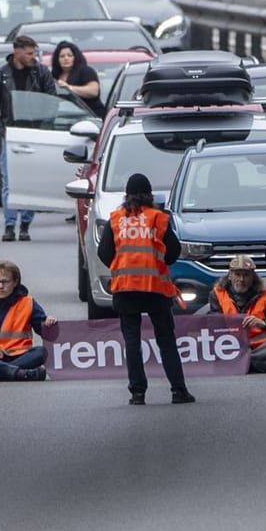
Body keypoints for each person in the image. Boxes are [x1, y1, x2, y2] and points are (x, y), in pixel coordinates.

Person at [98, 172, 193, 405]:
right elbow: (173, 253)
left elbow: (104, 253)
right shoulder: (157, 218)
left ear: (127, 195)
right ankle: (178, 390)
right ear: (149, 195)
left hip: (125, 289)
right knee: (166, 340)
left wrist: (122, 264)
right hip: (155, 289)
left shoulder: (116, 219)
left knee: (132, 342)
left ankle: (137, 393)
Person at [0, 34, 57, 242]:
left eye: (34, 53)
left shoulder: (41, 73)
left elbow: (52, 101)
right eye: (29, 53)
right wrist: (4, 131)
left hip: (33, 133)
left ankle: (25, 224)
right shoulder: (1, 76)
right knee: (8, 180)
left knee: (30, 180)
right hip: (11, 133)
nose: (33, 57)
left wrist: (43, 129)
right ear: (17, 51)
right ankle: (9, 225)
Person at [192, 254, 266, 373]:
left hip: (256, 345)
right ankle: (259, 364)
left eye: (246, 275)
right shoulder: (217, 293)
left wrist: (263, 324)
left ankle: (246, 362)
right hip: (228, 344)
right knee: (202, 319)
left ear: (253, 277)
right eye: (237, 274)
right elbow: (213, 325)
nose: (241, 279)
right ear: (230, 275)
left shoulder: (265, 294)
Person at [0, 259, 56, 382]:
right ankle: (16, 373)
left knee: (42, 352)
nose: (0, 286)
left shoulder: (27, 303)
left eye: (5, 282)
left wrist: (48, 324)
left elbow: (47, 335)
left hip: (20, 355)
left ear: (15, 282)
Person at [50, 40, 103, 117]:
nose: (66, 58)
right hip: (64, 117)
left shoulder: (86, 71)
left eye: (69, 55)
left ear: (76, 57)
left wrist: (69, 88)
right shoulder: (54, 75)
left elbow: (93, 91)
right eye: (62, 56)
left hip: (92, 116)